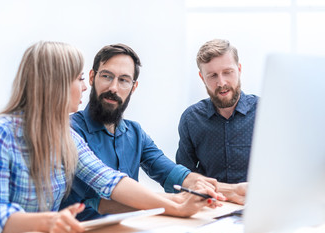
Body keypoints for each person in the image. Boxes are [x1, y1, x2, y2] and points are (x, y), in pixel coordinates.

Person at [0, 41, 221, 233]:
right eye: (79, 79)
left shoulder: (64, 136)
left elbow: (109, 179)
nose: (85, 88)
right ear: (55, 83)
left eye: (124, 80)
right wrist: (47, 221)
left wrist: (174, 205)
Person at [60, 43, 245, 221]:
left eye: (124, 80)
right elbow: (94, 201)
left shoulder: (135, 133)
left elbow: (174, 174)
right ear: (92, 77)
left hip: (128, 232)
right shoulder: (68, 131)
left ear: (133, 87)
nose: (114, 88)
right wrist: (176, 202)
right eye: (107, 76)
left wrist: (232, 190)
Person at [176, 39, 258, 200]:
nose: (221, 82)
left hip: (259, 207)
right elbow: (183, 178)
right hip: (209, 209)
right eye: (212, 75)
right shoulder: (191, 119)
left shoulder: (265, 112)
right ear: (202, 78)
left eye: (227, 72)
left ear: (239, 70)